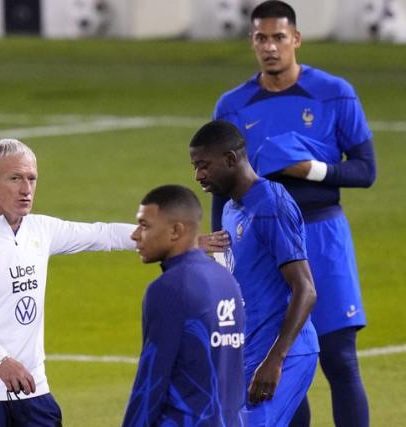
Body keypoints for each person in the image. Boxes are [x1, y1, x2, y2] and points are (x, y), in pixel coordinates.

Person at [212, 2, 375, 425]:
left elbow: (366, 170)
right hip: (260, 244)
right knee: (274, 358)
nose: (270, 47)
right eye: (261, 38)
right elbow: (221, 184)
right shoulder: (232, 104)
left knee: (340, 358)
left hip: (323, 235)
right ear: (251, 42)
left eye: (278, 37)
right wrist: (220, 253)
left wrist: (311, 170)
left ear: (296, 39)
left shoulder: (334, 92)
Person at [0, 138, 140, 426]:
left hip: (33, 389)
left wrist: (179, 240)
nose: (26, 189)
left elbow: (104, 234)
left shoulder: (40, 229)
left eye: (31, 178)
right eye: (15, 179)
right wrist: (0, 360)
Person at [190, 120, 319, 426]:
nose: (198, 176)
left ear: (231, 159)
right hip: (248, 351)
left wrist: (275, 360)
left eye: (204, 165)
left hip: (283, 354)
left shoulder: (271, 204)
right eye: (195, 167)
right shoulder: (231, 209)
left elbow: (305, 289)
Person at [122, 184, 246, 427]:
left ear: (176, 231)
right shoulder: (226, 280)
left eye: (145, 225)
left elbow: (151, 380)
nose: (135, 235)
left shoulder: (168, 289)